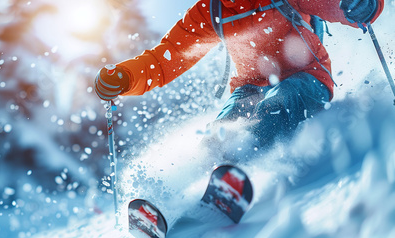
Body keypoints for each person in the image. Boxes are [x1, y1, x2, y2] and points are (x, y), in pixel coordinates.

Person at [94, 0, 384, 151]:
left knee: (275, 106)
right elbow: (166, 58)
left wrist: (360, 5)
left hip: (306, 78)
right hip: (250, 87)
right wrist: (125, 78)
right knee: (222, 129)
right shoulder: (211, 10)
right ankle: (192, 193)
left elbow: (333, 4)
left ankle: (238, 173)